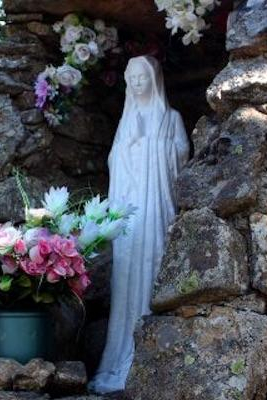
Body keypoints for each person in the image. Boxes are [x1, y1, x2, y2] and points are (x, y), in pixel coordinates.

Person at [90, 55, 190, 394]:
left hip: (156, 208)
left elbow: (181, 157)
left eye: (141, 77)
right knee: (126, 276)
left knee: (153, 271)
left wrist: (153, 145)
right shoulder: (126, 121)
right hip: (131, 210)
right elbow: (114, 161)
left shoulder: (170, 119)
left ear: (154, 80)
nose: (136, 83)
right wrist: (131, 144)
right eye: (130, 77)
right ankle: (119, 354)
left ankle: (147, 355)